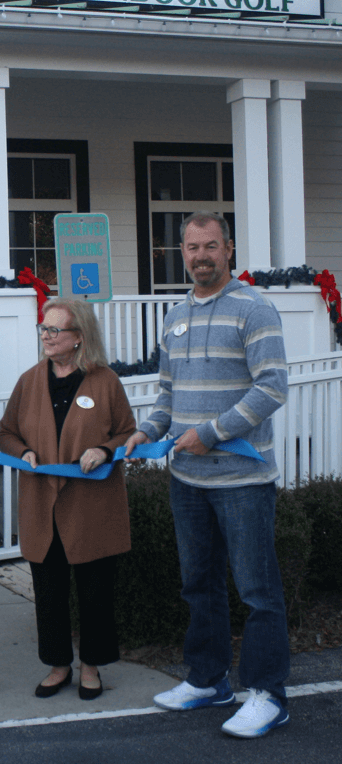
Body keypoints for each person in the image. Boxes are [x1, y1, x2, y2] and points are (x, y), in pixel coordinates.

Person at [123, 212, 290, 739]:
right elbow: (169, 397)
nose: (200, 256)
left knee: (257, 591)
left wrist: (213, 432)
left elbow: (272, 388)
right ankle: (209, 679)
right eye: (191, 247)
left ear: (229, 249)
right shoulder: (174, 315)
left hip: (242, 481)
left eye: (210, 246)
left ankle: (267, 694)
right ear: (182, 251)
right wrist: (146, 431)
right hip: (187, 480)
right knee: (199, 586)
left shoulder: (254, 308)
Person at [0, 299, 135, 701]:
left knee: (94, 592)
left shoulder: (105, 381)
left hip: (92, 506)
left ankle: (90, 666)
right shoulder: (29, 380)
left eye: (55, 330)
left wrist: (106, 450)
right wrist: (22, 452)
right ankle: (59, 666)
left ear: (79, 338)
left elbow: (127, 431)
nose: (46, 335)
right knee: (50, 593)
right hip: (43, 506)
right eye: (44, 328)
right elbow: (5, 433)